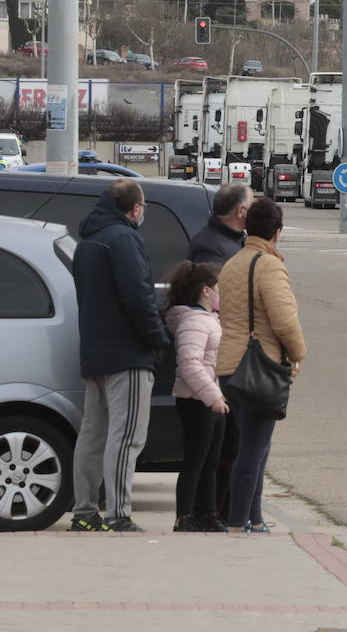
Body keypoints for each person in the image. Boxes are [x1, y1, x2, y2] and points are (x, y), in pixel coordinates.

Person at [69, 179, 170, 533]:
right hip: (127, 354)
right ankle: (118, 515)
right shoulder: (124, 239)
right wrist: (157, 340)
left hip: (94, 352)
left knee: (93, 434)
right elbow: (139, 298)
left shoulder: (88, 242)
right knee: (126, 437)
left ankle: (84, 512)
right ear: (136, 209)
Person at [216, 197, 306, 533]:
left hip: (229, 365)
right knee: (255, 448)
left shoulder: (233, 263)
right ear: (277, 232)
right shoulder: (269, 266)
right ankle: (240, 521)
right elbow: (284, 321)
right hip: (259, 365)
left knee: (250, 445)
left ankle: (254, 518)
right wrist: (298, 352)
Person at [185, 182, 250, 522]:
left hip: (224, 353)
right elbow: (217, 304)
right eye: (250, 203)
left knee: (226, 442)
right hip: (218, 358)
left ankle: (216, 509)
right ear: (240, 212)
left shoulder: (224, 242)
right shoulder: (214, 249)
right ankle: (213, 512)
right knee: (224, 444)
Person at [163, 261, 229, 533]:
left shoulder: (207, 319)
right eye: (218, 289)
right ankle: (184, 515)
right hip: (196, 400)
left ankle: (209, 513)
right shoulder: (193, 321)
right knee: (195, 459)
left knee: (212, 461)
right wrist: (212, 396)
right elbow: (190, 363)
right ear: (205, 291)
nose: (221, 294)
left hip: (211, 398)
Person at [188, 183, 251, 265]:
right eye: (252, 206)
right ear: (241, 211)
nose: (255, 212)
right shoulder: (210, 249)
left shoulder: (233, 238)